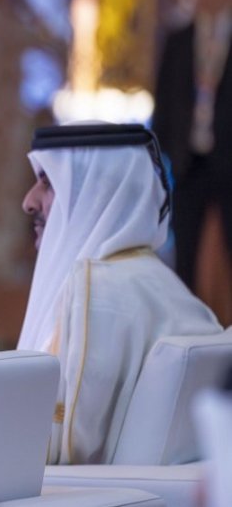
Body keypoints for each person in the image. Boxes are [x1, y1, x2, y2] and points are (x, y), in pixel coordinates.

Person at [19, 122, 221, 465]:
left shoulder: (96, 293)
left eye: (48, 182)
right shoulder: (172, 289)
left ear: (97, 190)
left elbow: (66, 453)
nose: (29, 201)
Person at [152, 0, 232, 293]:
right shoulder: (179, 39)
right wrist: (166, 153)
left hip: (227, 160)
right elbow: (165, 101)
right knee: (184, 254)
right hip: (189, 164)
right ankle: (186, 320)